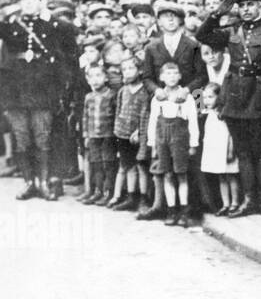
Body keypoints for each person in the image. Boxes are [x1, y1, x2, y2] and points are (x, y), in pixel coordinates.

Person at [196, 0, 261, 217]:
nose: (246, 9)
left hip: (260, 97)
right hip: (237, 98)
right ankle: (249, 201)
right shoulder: (231, 31)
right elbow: (202, 35)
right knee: (243, 153)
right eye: (242, 5)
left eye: (251, 4)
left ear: (260, 5)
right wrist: (218, 12)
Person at [1, 0, 78, 201]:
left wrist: (49, 16)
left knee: (42, 137)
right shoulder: (12, 25)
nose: (28, 3)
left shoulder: (51, 25)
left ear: (41, 2)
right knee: (22, 138)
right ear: (18, 3)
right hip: (16, 91)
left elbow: (70, 32)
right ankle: (29, 182)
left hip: (42, 90)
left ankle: (44, 182)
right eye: (24, 0)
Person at [146, 61, 200, 227]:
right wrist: (152, 143)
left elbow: (193, 121)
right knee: (167, 174)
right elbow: (153, 121)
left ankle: (184, 211)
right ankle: (171, 210)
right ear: (161, 77)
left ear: (180, 76)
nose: (171, 77)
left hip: (180, 139)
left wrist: (193, 143)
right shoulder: (158, 98)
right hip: (162, 140)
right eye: (167, 74)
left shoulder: (188, 97)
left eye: (174, 73)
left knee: (181, 174)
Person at [107, 54, 152, 212]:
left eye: (131, 68)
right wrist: (117, 131)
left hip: (138, 136)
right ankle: (131, 197)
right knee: (128, 166)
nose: (127, 72)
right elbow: (119, 111)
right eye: (124, 69)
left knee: (141, 166)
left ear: (139, 71)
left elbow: (146, 114)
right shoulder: (123, 90)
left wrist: (140, 131)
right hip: (122, 135)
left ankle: (143, 199)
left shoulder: (145, 92)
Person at [199, 83, 240, 214]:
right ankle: (225, 204)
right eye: (204, 97)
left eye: (210, 97)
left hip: (226, 149)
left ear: (219, 96)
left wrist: (230, 150)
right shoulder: (208, 113)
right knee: (221, 177)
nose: (206, 100)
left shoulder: (224, 113)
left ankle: (235, 202)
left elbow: (231, 133)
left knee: (231, 176)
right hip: (216, 150)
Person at [79, 63, 117, 205]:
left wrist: (115, 134)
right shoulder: (88, 97)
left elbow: (116, 116)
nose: (95, 79)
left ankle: (108, 192)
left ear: (106, 78)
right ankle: (98, 191)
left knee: (108, 163)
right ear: (87, 79)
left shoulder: (111, 95)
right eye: (92, 76)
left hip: (108, 136)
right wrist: (86, 135)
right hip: (93, 136)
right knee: (96, 164)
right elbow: (85, 117)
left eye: (99, 75)